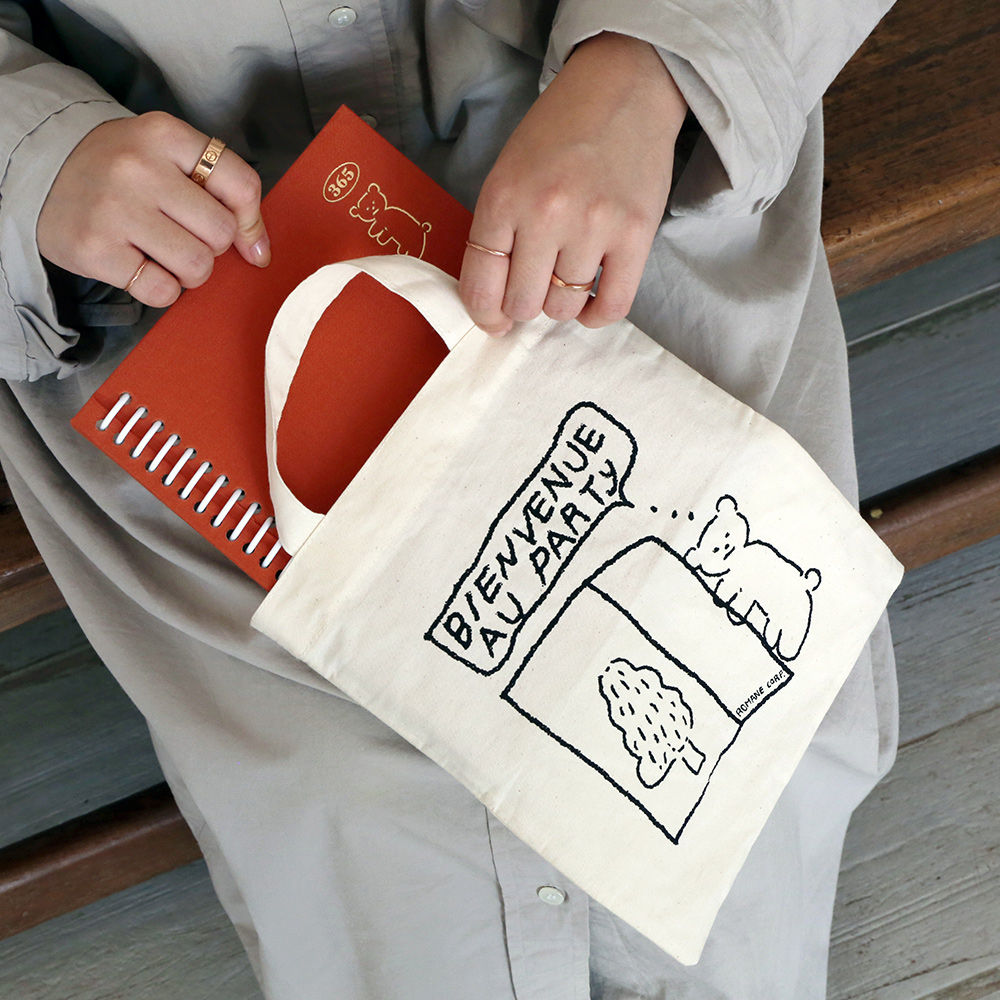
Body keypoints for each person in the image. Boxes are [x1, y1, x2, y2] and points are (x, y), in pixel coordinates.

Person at [0, 1, 897, 997]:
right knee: (367, 815)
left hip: (623, 152)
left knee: (756, 763)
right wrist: (35, 159)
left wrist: (645, 69)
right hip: (173, 273)